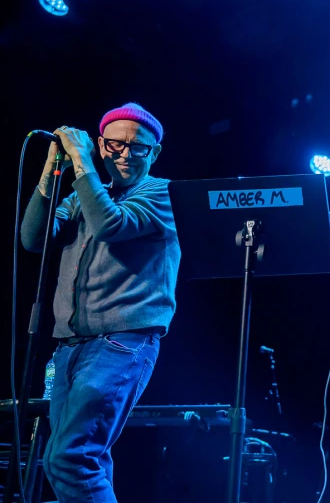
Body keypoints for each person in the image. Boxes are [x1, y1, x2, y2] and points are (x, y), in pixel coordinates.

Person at [21, 103, 180, 503]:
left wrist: (82, 165)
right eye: (115, 145)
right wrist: (50, 169)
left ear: (155, 153)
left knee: (70, 459)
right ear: (101, 144)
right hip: (70, 346)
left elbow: (112, 224)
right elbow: (33, 238)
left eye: (138, 148)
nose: (125, 155)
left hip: (121, 341)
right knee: (75, 460)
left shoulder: (160, 193)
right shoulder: (85, 195)